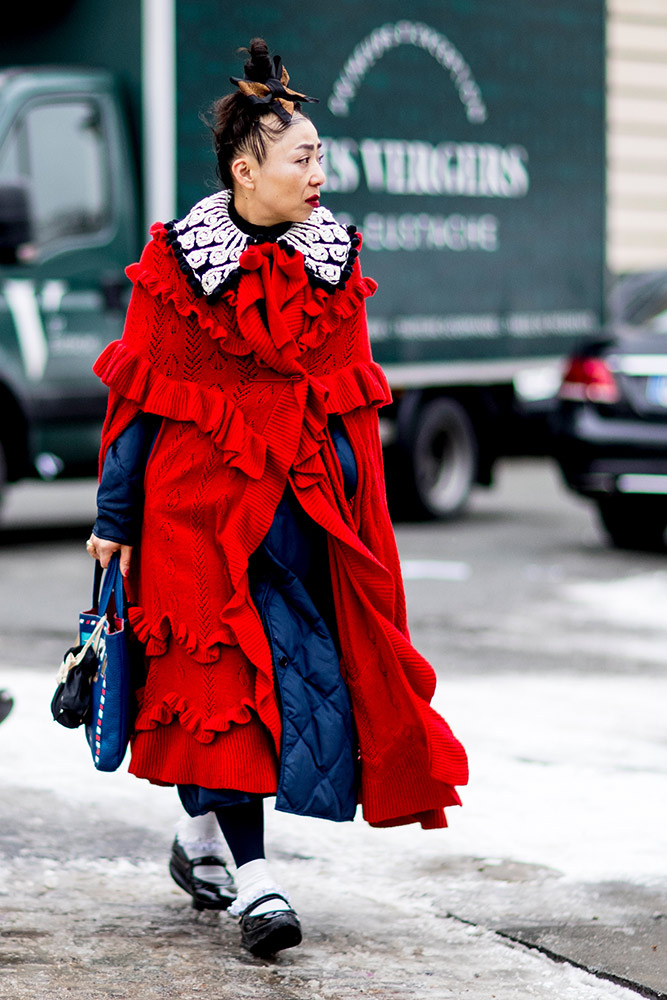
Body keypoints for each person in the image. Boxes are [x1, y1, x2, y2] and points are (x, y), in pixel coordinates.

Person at [85, 38, 468, 958]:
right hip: (192, 520)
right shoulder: (175, 264)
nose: (319, 175)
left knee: (292, 691)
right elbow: (137, 403)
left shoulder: (331, 262)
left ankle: (200, 838)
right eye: (303, 159)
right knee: (216, 689)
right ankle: (258, 885)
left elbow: (348, 408)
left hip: (297, 519)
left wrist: (358, 529)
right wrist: (112, 519)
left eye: (322, 158)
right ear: (245, 169)